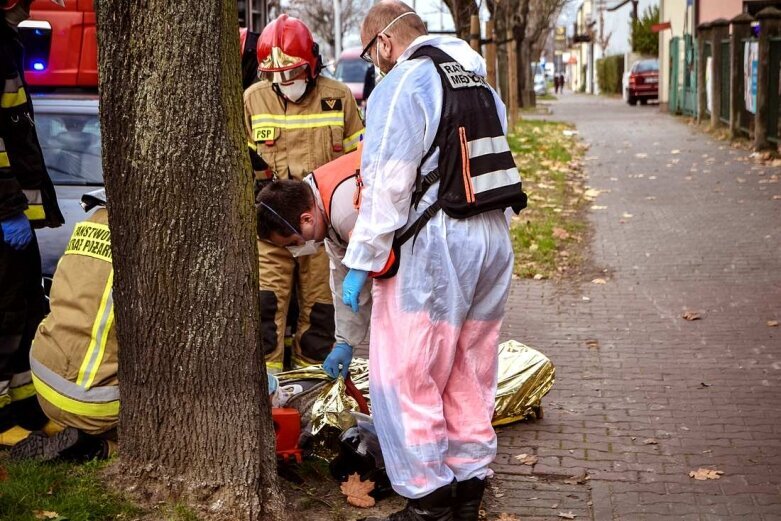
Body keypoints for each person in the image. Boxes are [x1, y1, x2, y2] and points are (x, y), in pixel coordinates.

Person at [341, 2, 527, 520]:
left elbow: (387, 181)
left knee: (409, 372)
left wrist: (363, 259)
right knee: (472, 367)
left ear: (383, 44)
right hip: (492, 239)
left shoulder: (404, 83)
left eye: (371, 52)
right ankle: (469, 486)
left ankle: (428, 499)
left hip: (435, 246)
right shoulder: (477, 81)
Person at [244, 14, 365, 373]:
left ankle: (312, 386)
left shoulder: (338, 97)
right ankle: (266, 389)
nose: (284, 83)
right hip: (272, 228)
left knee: (321, 312)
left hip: (320, 226)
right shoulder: (253, 99)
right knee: (265, 308)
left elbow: (361, 161)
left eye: (292, 73)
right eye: (275, 76)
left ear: (311, 64)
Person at [0, 0, 65, 447]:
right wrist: (6, 209)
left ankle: (25, 406)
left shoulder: (7, 42)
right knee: (4, 316)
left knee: (25, 310)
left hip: (12, 216)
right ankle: (1, 419)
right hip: (2, 215)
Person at [255, 150, 369, 381]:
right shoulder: (323, 209)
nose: (298, 249)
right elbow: (341, 284)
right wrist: (345, 342)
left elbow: (377, 246)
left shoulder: (345, 212)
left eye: (295, 242)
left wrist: (363, 264)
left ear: (306, 219)